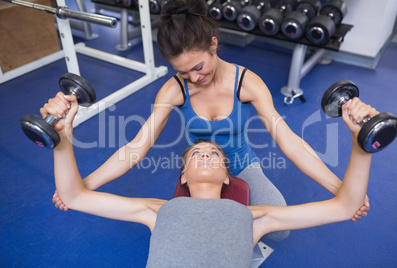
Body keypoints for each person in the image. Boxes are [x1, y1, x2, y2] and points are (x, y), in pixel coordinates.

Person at [51, 0, 369, 241]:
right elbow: (137, 147)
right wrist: (83, 186)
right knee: (185, 233)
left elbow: (289, 143)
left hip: (242, 164)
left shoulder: (248, 83)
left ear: (213, 45)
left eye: (199, 67)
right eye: (183, 71)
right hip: (198, 168)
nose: (194, 78)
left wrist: (342, 189)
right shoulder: (174, 89)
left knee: (279, 232)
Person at [47, 92, 375, 267]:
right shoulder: (157, 210)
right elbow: (74, 196)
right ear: (183, 177)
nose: (205, 154)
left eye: (215, 155)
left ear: (228, 176)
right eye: (196, 154)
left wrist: (362, 144)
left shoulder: (254, 218)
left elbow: (346, 205)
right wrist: (62, 137)